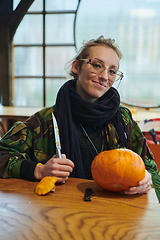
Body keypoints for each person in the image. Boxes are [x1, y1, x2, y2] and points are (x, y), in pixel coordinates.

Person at [0, 36, 160, 199]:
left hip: (116, 211)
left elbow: (152, 171)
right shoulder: (46, 120)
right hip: (60, 210)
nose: (105, 76)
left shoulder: (122, 119)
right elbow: (2, 156)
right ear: (76, 66)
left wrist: (146, 179)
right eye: (97, 65)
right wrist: (39, 170)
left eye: (112, 71)